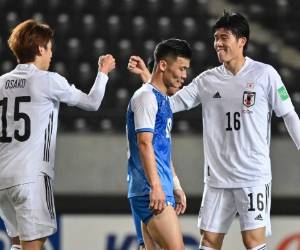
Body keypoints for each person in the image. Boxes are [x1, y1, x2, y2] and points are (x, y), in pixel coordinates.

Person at [128, 11, 300, 250]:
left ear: (242, 41)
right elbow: (167, 104)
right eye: (216, 37)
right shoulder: (207, 80)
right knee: (209, 241)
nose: (218, 43)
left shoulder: (266, 74)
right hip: (217, 180)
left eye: (224, 37)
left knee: (253, 241)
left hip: (253, 176)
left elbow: (289, 114)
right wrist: (149, 78)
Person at [0, 19, 115, 250]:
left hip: (2, 177)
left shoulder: (1, 83)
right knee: (34, 245)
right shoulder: (48, 80)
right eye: (50, 48)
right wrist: (103, 73)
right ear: (40, 48)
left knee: (16, 244)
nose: (51, 54)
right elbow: (92, 103)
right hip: (31, 176)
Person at [126, 38, 192, 250]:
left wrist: (175, 185)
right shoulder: (146, 98)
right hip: (150, 189)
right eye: (181, 68)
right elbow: (144, 144)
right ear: (163, 65)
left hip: (159, 187)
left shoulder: (159, 99)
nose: (184, 75)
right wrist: (155, 187)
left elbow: (161, 149)